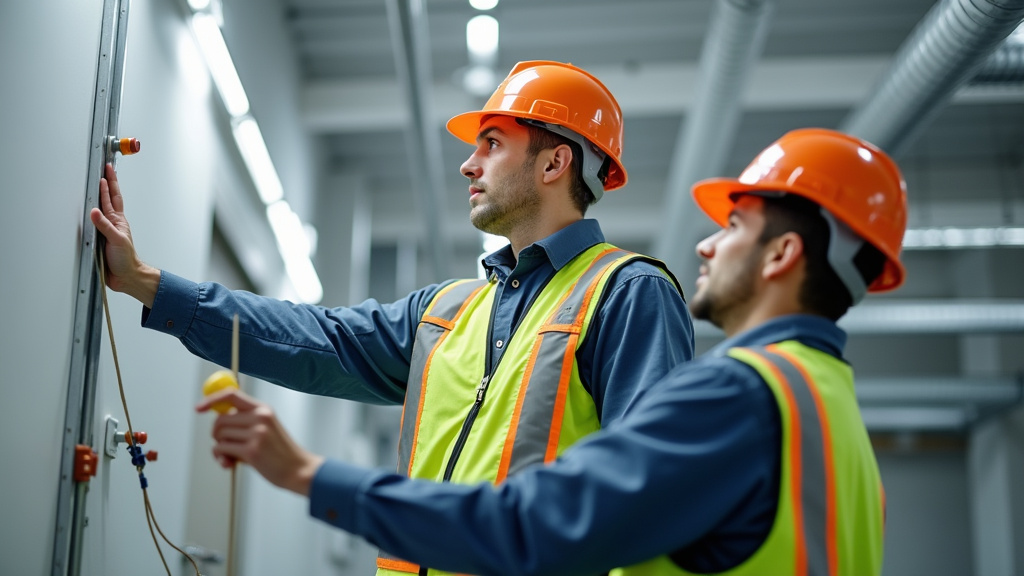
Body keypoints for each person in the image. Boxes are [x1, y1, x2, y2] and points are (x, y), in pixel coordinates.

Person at [196, 127, 907, 576]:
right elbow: (323, 337)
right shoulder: (827, 406)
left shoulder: (729, 387)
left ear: (782, 253)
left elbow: (545, 523)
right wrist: (152, 289)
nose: (706, 242)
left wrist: (312, 477)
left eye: (736, 225)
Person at [91, 61, 695, 575]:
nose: (468, 164)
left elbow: (649, 496)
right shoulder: (448, 311)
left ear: (553, 162)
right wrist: (144, 283)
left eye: (492, 143)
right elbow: (315, 338)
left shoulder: (625, 292)